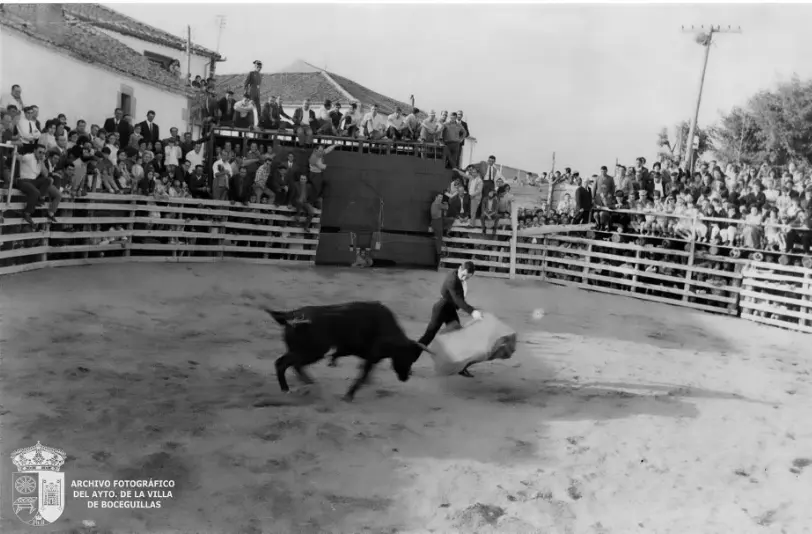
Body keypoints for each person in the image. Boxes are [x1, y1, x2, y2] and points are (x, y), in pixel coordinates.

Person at [415, 261, 483, 377]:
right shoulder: (452, 279)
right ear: (460, 268)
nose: (464, 278)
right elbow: (458, 301)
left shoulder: (460, 279)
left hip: (450, 309)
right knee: (428, 337)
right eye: (463, 275)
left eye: (467, 277)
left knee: (459, 336)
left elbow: (458, 300)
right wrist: (473, 312)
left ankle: (460, 367)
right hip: (441, 309)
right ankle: (406, 360)